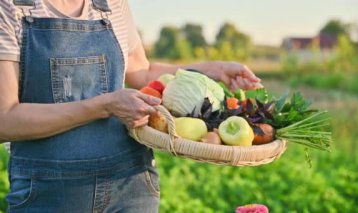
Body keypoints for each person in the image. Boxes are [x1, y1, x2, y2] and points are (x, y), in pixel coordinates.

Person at [0, 0, 262, 212]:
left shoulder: (112, 4)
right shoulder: (10, 8)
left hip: (131, 187)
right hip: (48, 194)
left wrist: (214, 70)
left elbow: (143, 73)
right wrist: (105, 106)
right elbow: (5, 120)